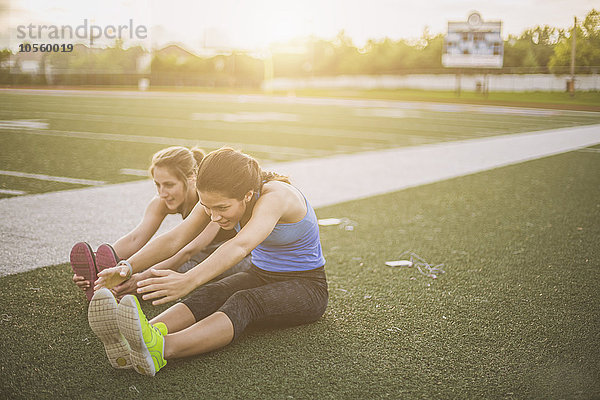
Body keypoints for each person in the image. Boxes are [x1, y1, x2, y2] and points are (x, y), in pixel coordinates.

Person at [88, 147, 329, 376]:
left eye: (222, 208)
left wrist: (188, 280)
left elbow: (240, 245)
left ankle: (161, 348)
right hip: (260, 273)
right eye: (207, 207)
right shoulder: (216, 198)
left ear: (246, 195)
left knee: (244, 302)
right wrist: (127, 267)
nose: (214, 216)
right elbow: (176, 238)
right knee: (213, 292)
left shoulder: (277, 196)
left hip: (307, 287)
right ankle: (140, 335)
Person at [70, 146, 246, 301]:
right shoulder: (160, 201)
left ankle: (121, 287)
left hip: (236, 254)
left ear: (191, 178)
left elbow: (188, 251)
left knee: (178, 269)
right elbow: (135, 239)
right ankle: (105, 282)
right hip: (197, 252)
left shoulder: (211, 201)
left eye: (169, 185)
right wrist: (104, 266)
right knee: (141, 260)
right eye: (158, 185)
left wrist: (140, 279)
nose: (163, 193)